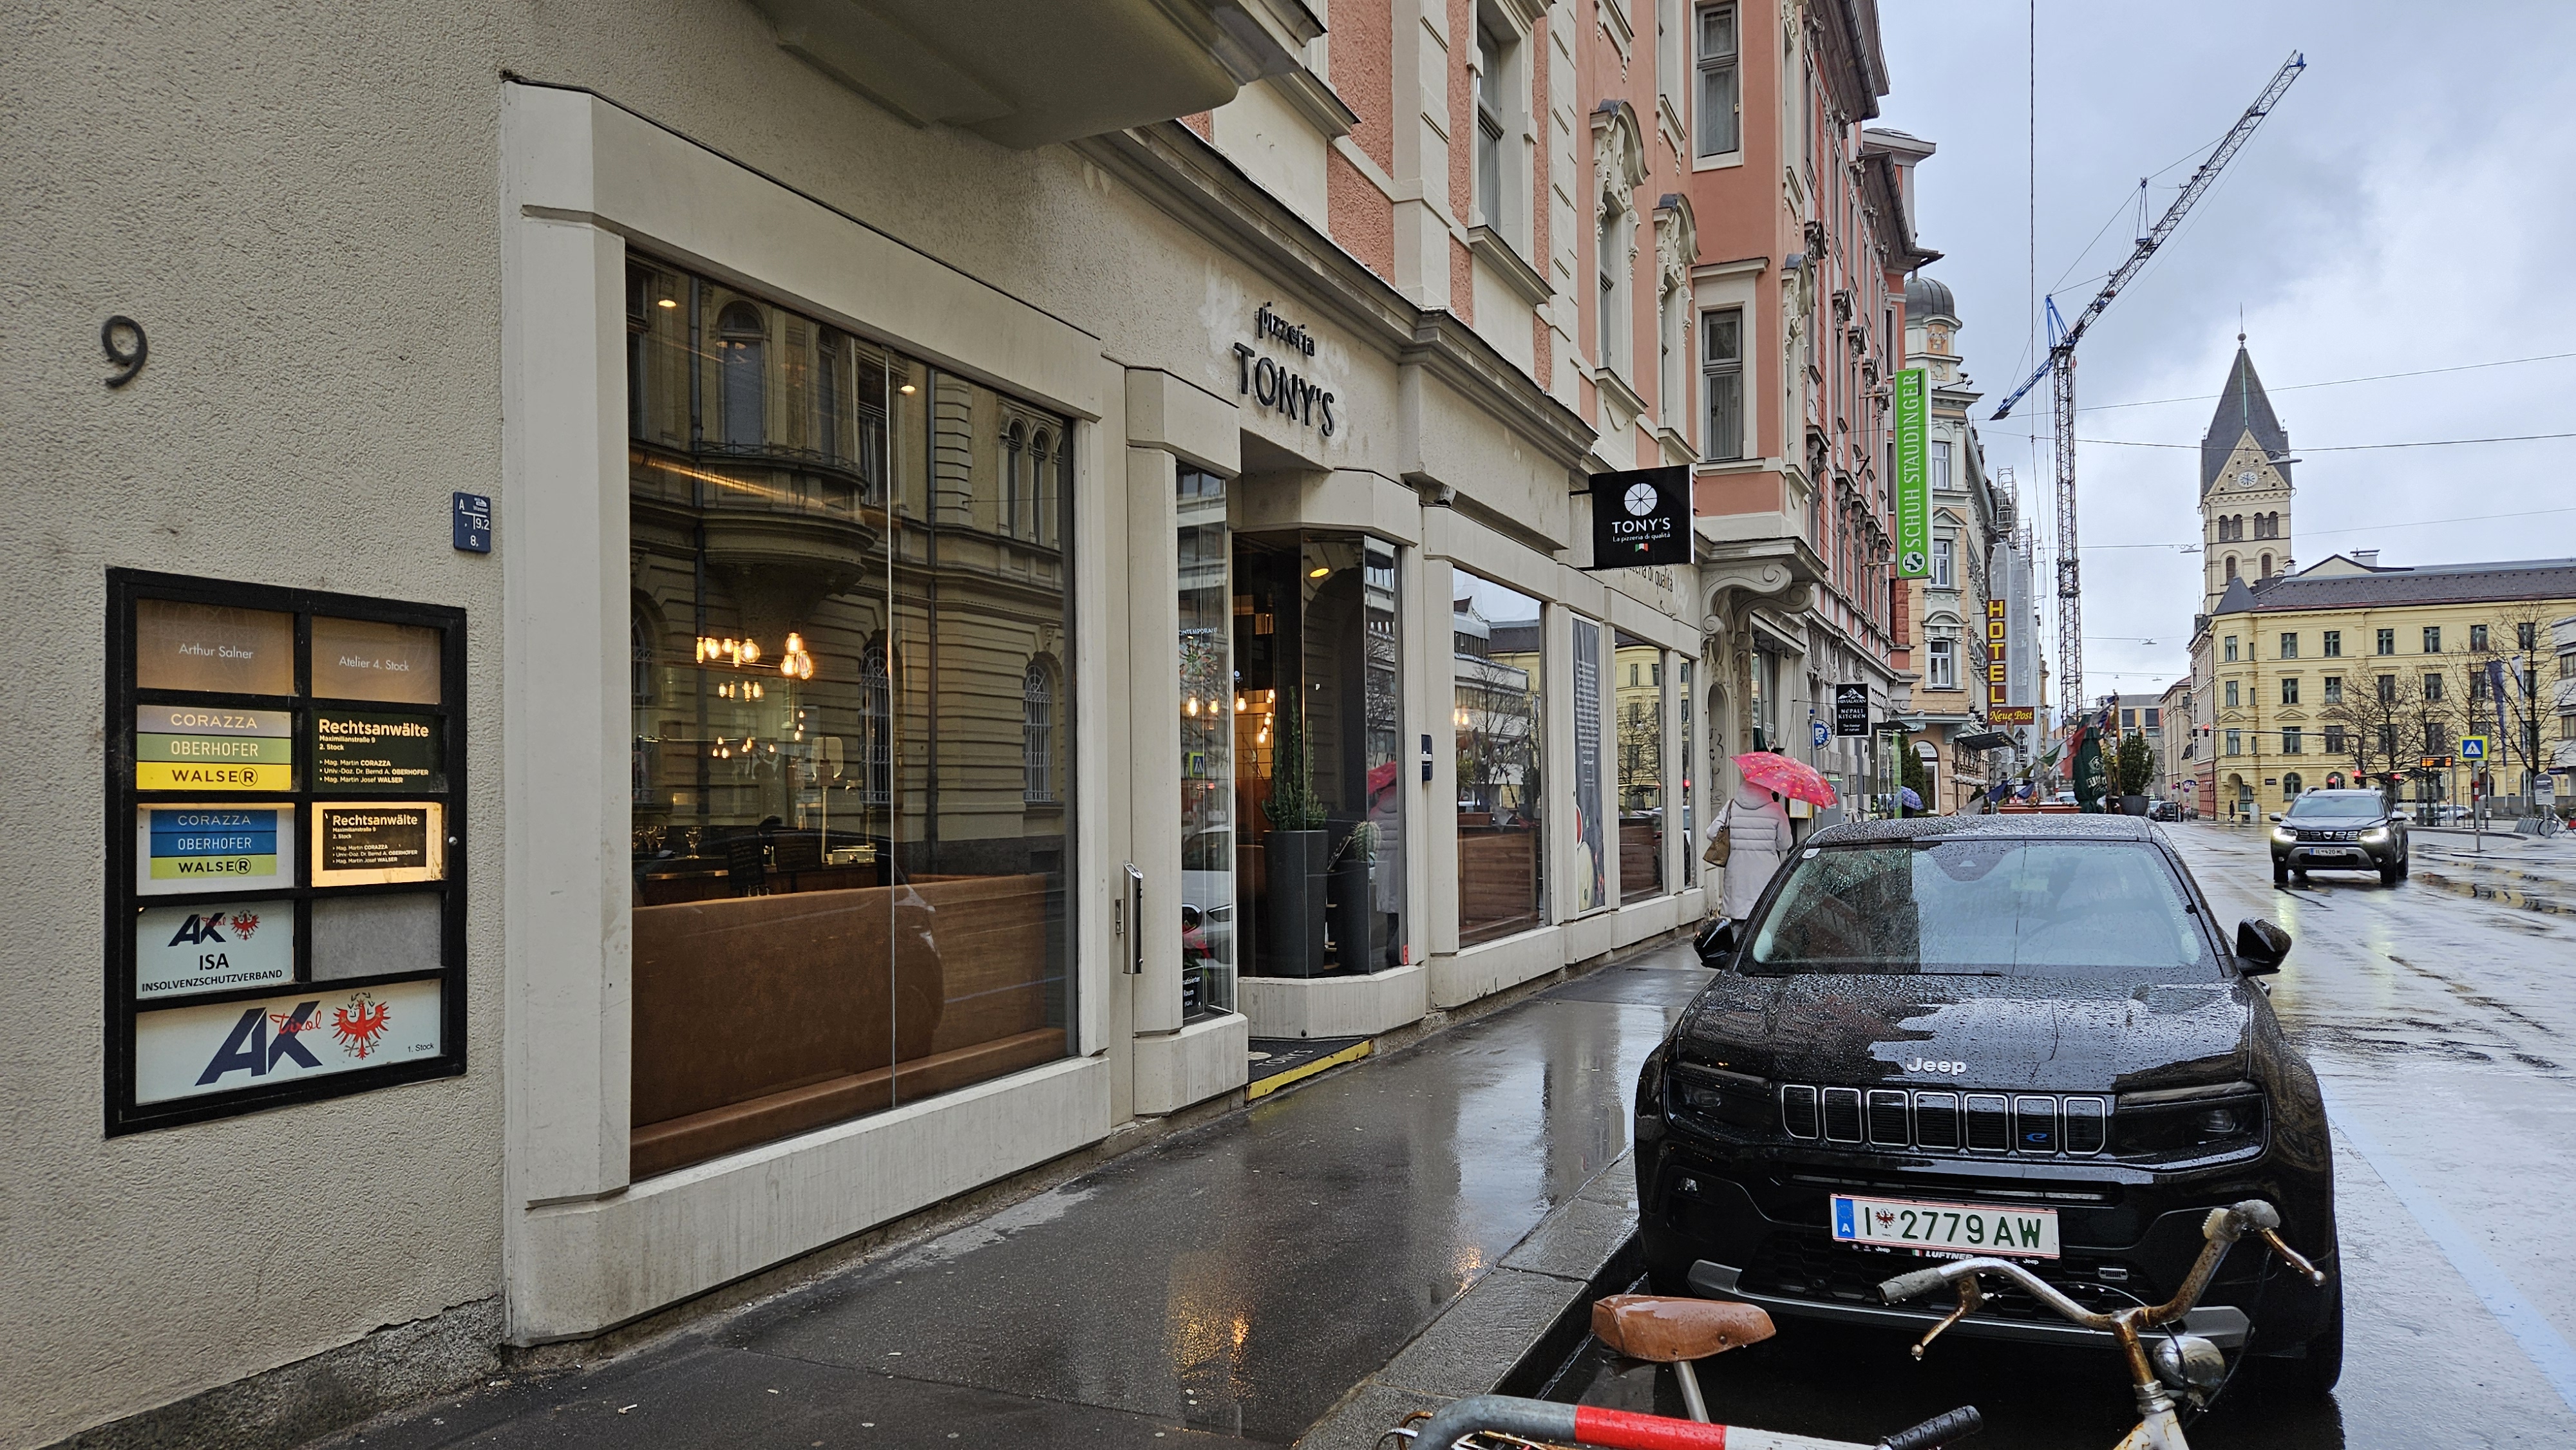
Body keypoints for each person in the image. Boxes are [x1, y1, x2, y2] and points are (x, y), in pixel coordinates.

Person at [1707, 775, 1795, 928]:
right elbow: (1784, 844)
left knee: (1738, 924)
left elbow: (1711, 832)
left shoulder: (1731, 806)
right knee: (1764, 922)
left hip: (1737, 874)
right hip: (1766, 875)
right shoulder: (1777, 810)